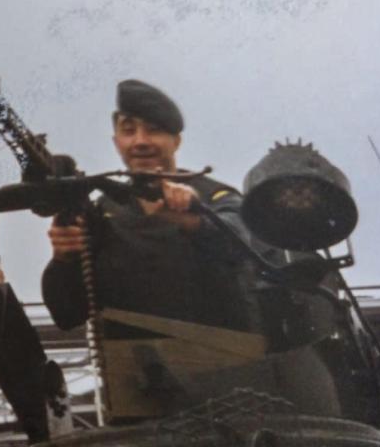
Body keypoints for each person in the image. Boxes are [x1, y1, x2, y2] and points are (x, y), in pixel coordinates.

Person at [43, 79, 257, 348]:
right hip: (134, 369)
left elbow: (239, 241)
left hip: (225, 362)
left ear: (176, 141)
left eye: (154, 130)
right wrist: (63, 259)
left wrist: (190, 219)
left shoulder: (215, 197)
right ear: (117, 142)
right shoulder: (102, 213)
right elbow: (66, 314)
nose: (140, 142)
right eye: (129, 131)